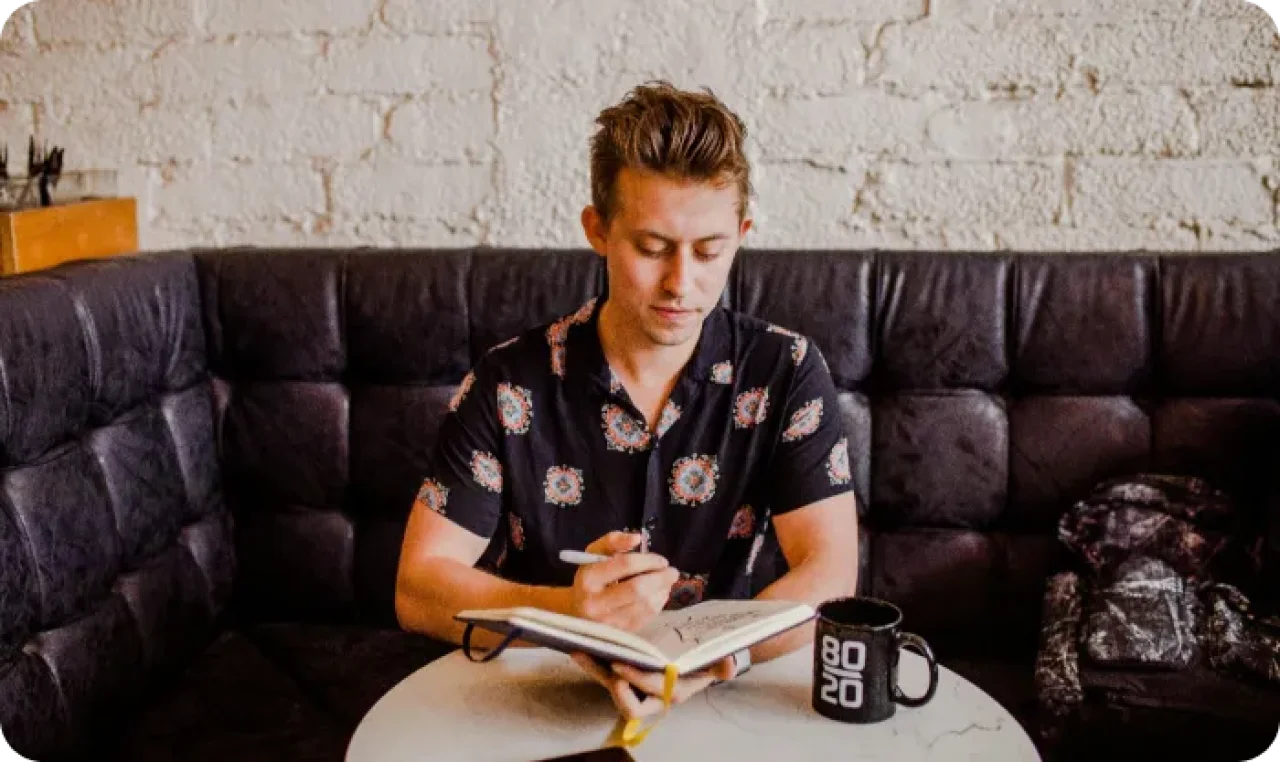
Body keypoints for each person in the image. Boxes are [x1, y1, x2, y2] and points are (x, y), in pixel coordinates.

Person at [394, 80, 859, 721]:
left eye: (709, 250)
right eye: (651, 247)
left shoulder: (787, 370)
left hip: (723, 697)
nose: (681, 283)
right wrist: (566, 612)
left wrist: (714, 659)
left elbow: (830, 571)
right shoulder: (508, 383)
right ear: (598, 230)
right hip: (537, 692)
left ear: (742, 233)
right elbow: (418, 586)